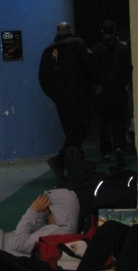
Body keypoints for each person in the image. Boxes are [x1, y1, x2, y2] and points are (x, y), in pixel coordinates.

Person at [38, 21, 96, 181]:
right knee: (80, 130)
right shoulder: (78, 44)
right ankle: (61, 161)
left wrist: (54, 94)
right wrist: (94, 85)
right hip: (79, 95)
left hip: (60, 98)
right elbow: (90, 66)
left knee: (70, 131)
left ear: (57, 32)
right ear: (70, 30)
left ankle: (75, 164)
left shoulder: (48, 50)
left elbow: (43, 77)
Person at [91, 21, 132, 164]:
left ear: (102, 31)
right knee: (119, 121)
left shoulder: (96, 50)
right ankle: (119, 147)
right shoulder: (123, 49)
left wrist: (97, 85)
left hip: (103, 92)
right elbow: (128, 69)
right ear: (115, 30)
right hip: (119, 90)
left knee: (104, 122)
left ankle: (106, 152)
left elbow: (93, 71)